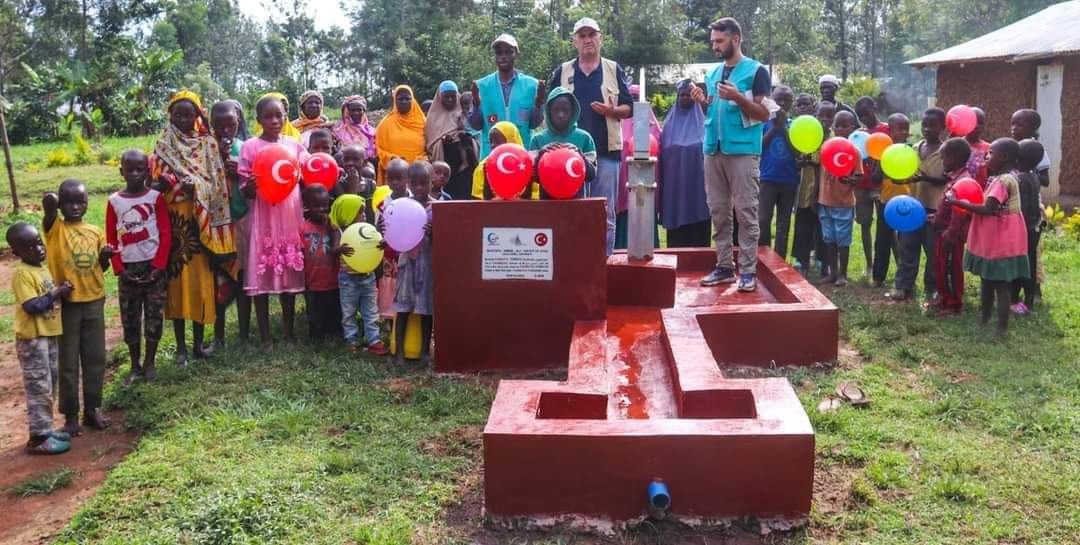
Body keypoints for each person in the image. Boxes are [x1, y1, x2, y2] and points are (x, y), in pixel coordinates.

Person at [151, 91, 235, 364]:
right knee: (177, 285)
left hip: (203, 224)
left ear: (199, 115)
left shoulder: (208, 145)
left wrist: (196, 186)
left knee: (200, 285)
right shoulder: (164, 143)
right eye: (179, 114)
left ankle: (198, 344)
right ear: (170, 116)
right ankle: (180, 348)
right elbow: (155, 182)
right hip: (176, 223)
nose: (185, 119)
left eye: (190, 114)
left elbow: (218, 186)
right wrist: (177, 187)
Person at [690, 17, 771, 291]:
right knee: (718, 211)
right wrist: (703, 103)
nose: (715, 46)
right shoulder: (712, 74)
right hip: (713, 149)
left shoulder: (757, 71)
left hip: (743, 151)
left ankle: (748, 271)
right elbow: (713, 111)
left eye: (719, 41)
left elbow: (763, 114)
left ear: (735, 39)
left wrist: (738, 98)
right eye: (713, 41)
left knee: (746, 212)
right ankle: (724, 266)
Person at [548, 17, 633, 254]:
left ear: (600, 39)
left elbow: (629, 108)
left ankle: (602, 266)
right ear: (574, 41)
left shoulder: (613, 69)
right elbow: (550, 109)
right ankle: (573, 264)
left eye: (592, 35)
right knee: (570, 213)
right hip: (566, 156)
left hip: (606, 153)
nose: (587, 40)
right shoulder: (562, 72)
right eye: (582, 36)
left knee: (604, 214)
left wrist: (612, 111)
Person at [238, 94, 309, 351]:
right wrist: (251, 186)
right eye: (268, 116)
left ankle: (289, 333)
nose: (274, 120)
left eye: (278, 115)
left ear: (285, 116)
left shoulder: (294, 144)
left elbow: (305, 175)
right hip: (264, 217)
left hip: (289, 215)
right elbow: (244, 188)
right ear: (258, 120)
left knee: (289, 275)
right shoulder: (250, 147)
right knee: (263, 276)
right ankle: (266, 337)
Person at [42, 179, 112, 435]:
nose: (74, 207)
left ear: (86, 203)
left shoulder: (95, 230)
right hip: (68, 304)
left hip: (94, 299)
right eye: (68, 202)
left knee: (95, 358)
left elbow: (101, 268)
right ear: (61, 204)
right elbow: (48, 202)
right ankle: (70, 414)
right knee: (68, 361)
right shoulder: (55, 229)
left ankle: (92, 408)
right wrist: (54, 204)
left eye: (79, 202)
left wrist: (105, 256)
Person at [948, 138, 1029, 339]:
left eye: (991, 153)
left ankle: (1000, 329)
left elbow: (988, 208)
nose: (986, 156)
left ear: (1004, 157)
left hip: (998, 240)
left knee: (1000, 285)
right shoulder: (1004, 177)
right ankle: (984, 319)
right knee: (987, 280)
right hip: (994, 237)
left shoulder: (1002, 181)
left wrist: (958, 202)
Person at [8, 222, 73, 454]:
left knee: (50, 383)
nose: (38, 249)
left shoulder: (41, 269)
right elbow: (32, 306)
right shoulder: (22, 274)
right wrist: (57, 292)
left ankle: (45, 429)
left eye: (38, 242)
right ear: (17, 252)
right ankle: (39, 438)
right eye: (30, 247)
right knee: (38, 387)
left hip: (48, 335)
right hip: (33, 340)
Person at [106, 150, 171, 382]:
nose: (134, 174)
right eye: (129, 169)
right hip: (127, 269)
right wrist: (120, 270)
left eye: (139, 169)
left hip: (153, 267)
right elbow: (111, 238)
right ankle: (134, 364)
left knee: (154, 316)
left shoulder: (155, 198)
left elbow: (165, 233)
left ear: (147, 171)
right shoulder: (114, 201)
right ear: (121, 171)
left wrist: (159, 266)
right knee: (130, 318)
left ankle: (150, 362)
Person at [888, 108, 946, 302]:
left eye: (933, 125)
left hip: (934, 209)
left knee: (933, 250)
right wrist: (897, 178)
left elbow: (946, 179)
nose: (927, 129)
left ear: (943, 127)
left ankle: (933, 287)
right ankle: (904, 285)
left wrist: (927, 177)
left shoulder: (945, 151)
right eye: (924, 125)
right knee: (907, 246)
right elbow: (905, 175)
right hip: (912, 207)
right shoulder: (912, 149)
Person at [210, 100, 251, 348]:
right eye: (220, 125)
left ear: (238, 122)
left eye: (231, 125)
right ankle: (218, 337)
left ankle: (245, 335)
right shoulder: (205, 150)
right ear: (212, 125)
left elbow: (256, 183)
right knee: (219, 280)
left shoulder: (246, 148)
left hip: (242, 220)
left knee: (244, 279)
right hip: (216, 226)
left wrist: (241, 174)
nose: (226, 130)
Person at [469, 34, 545, 159]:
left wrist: (538, 104)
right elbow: (476, 125)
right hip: (491, 158)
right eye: (499, 52)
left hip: (521, 158)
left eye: (508, 52)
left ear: (516, 54)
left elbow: (533, 124)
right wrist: (476, 104)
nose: (503, 56)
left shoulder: (532, 85)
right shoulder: (481, 86)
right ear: (495, 56)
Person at [330, 193, 386, 355]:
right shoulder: (339, 231)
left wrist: (379, 244)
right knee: (348, 312)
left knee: (371, 311)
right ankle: (351, 340)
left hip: (367, 277)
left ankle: (374, 340)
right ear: (347, 213)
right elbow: (333, 250)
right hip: (348, 279)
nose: (363, 215)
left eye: (363, 212)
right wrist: (340, 249)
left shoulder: (365, 229)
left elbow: (374, 245)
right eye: (359, 212)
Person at [658, 80, 710, 248]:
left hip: (698, 186)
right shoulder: (668, 125)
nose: (685, 98)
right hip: (675, 188)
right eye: (681, 95)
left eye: (688, 95)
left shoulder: (704, 123)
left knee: (699, 226)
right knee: (677, 237)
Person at [393, 161, 436, 365]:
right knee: (403, 306)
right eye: (415, 183)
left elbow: (448, 237)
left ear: (431, 182)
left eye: (423, 183)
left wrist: (434, 233)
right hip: (407, 263)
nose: (419, 188)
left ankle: (425, 351)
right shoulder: (401, 206)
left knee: (426, 309)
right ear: (408, 183)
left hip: (427, 264)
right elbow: (391, 233)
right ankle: (399, 351)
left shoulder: (437, 208)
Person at [815, 110, 862, 287]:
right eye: (837, 125)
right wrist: (816, 198)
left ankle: (843, 273)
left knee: (843, 240)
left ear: (852, 128)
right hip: (825, 201)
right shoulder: (826, 147)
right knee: (829, 238)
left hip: (843, 203)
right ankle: (832, 272)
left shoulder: (854, 151)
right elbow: (820, 174)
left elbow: (858, 176)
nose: (840, 129)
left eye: (844, 126)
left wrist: (849, 179)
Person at [928, 138, 973, 316]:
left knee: (950, 268)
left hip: (951, 235)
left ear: (953, 158)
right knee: (940, 266)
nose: (942, 161)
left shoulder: (963, 181)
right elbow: (946, 205)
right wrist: (936, 217)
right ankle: (943, 298)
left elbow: (960, 211)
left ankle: (954, 304)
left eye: (944, 157)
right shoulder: (953, 178)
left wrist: (952, 232)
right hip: (942, 231)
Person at [530, 86, 598, 199]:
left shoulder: (585, 138)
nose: (561, 115)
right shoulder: (538, 140)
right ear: (548, 111)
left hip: (577, 204)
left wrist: (579, 155)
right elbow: (532, 177)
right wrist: (540, 156)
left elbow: (591, 175)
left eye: (565, 110)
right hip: (547, 206)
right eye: (556, 110)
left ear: (573, 111)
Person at [617, 83, 661, 248]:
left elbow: (658, 147)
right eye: (631, 98)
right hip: (622, 187)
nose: (634, 103)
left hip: (645, 183)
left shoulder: (651, 125)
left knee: (644, 212)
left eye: (637, 98)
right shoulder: (617, 123)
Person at [758, 85, 799, 258]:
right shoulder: (763, 123)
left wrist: (783, 128)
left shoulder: (795, 126)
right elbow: (758, 147)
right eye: (778, 100)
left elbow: (797, 151)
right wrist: (775, 127)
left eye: (786, 100)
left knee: (784, 223)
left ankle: (780, 259)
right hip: (767, 179)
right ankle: (764, 257)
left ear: (792, 102)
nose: (782, 103)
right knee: (763, 220)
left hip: (789, 180)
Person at [299, 185, 343, 343]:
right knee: (316, 317)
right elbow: (300, 255)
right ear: (306, 206)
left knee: (335, 314)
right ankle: (316, 337)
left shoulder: (332, 225)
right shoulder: (303, 228)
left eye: (325, 205)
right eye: (316, 206)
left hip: (334, 283)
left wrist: (331, 227)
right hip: (313, 283)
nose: (322, 209)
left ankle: (336, 333)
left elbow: (337, 241)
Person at [871, 113, 910, 287]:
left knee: (905, 243)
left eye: (906, 129)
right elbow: (875, 178)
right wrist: (882, 162)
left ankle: (904, 279)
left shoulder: (910, 151)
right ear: (890, 131)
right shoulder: (883, 152)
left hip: (906, 202)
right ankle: (878, 277)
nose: (903, 132)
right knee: (882, 241)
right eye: (900, 129)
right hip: (885, 202)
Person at [853, 96, 889, 277]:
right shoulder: (858, 134)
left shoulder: (885, 130)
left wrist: (880, 168)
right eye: (860, 116)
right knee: (865, 223)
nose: (864, 119)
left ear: (874, 108)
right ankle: (869, 264)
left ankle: (896, 263)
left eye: (866, 114)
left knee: (886, 225)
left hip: (879, 184)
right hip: (861, 184)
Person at [425, 81, 478, 200]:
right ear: (440, 98)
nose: (450, 99)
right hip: (445, 164)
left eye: (453, 96)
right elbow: (430, 145)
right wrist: (442, 141)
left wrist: (465, 137)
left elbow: (476, 134)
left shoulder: (465, 112)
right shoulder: (432, 118)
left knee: (467, 196)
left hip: (466, 167)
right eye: (446, 97)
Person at [1011, 139, 1046, 315]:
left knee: (1020, 265)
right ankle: (1029, 300)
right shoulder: (1033, 175)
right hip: (1033, 228)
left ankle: (1016, 300)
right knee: (1030, 264)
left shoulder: (1020, 179)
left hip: (1022, 229)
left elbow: (1021, 208)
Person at [791, 95, 822, 274]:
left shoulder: (820, 129)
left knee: (819, 224)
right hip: (802, 185)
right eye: (799, 104)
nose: (803, 107)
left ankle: (819, 257)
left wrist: (812, 160)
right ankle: (801, 259)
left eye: (806, 104)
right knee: (802, 222)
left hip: (819, 186)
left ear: (813, 106)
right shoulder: (795, 128)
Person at [471, 121, 539, 200]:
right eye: (491, 141)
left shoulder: (527, 164)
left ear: (512, 141)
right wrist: (487, 176)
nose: (492, 145)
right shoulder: (482, 167)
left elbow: (534, 199)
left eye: (497, 141)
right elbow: (478, 201)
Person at [375, 85, 427, 184]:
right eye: (400, 99)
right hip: (394, 175)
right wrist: (392, 158)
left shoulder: (423, 122)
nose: (404, 102)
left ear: (413, 100)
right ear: (395, 100)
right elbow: (378, 149)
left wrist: (421, 160)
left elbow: (430, 148)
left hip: (418, 173)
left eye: (407, 99)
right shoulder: (385, 124)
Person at [333, 95, 377, 162]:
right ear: (348, 112)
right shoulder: (339, 131)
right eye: (353, 110)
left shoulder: (372, 132)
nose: (356, 113)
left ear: (364, 111)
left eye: (359, 110)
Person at [965, 106, 990, 185]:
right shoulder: (957, 144)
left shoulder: (989, 148)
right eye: (973, 121)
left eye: (980, 123)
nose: (976, 126)